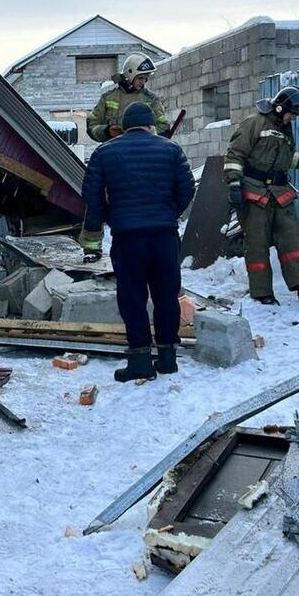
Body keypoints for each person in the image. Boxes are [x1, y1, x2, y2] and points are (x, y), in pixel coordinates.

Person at [81, 101, 195, 382]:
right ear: (150, 125)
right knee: (166, 296)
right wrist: (169, 214)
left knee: (132, 298)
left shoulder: (104, 151)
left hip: (127, 237)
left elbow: (90, 194)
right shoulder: (171, 149)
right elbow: (187, 188)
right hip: (164, 237)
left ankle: (140, 361)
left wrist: (112, 217)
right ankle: (168, 359)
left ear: (125, 125)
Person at [224, 85, 299, 305]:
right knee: (257, 243)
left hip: (280, 192)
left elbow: (285, 160)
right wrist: (235, 185)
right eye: (291, 114)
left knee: (293, 239)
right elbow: (234, 155)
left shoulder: (284, 129)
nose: (292, 119)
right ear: (278, 108)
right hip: (254, 191)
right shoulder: (253, 122)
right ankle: (262, 293)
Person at [80, 53, 171, 263]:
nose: (143, 82)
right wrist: (107, 131)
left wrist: (147, 133)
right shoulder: (108, 99)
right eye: (141, 77)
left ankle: (143, 246)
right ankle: (92, 247)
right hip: (113, 159)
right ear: (129, 74)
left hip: (141, 161)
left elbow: (164, 126)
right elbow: (91, 126)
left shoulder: (151, 100)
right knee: (97, 200)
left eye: (146, 79)